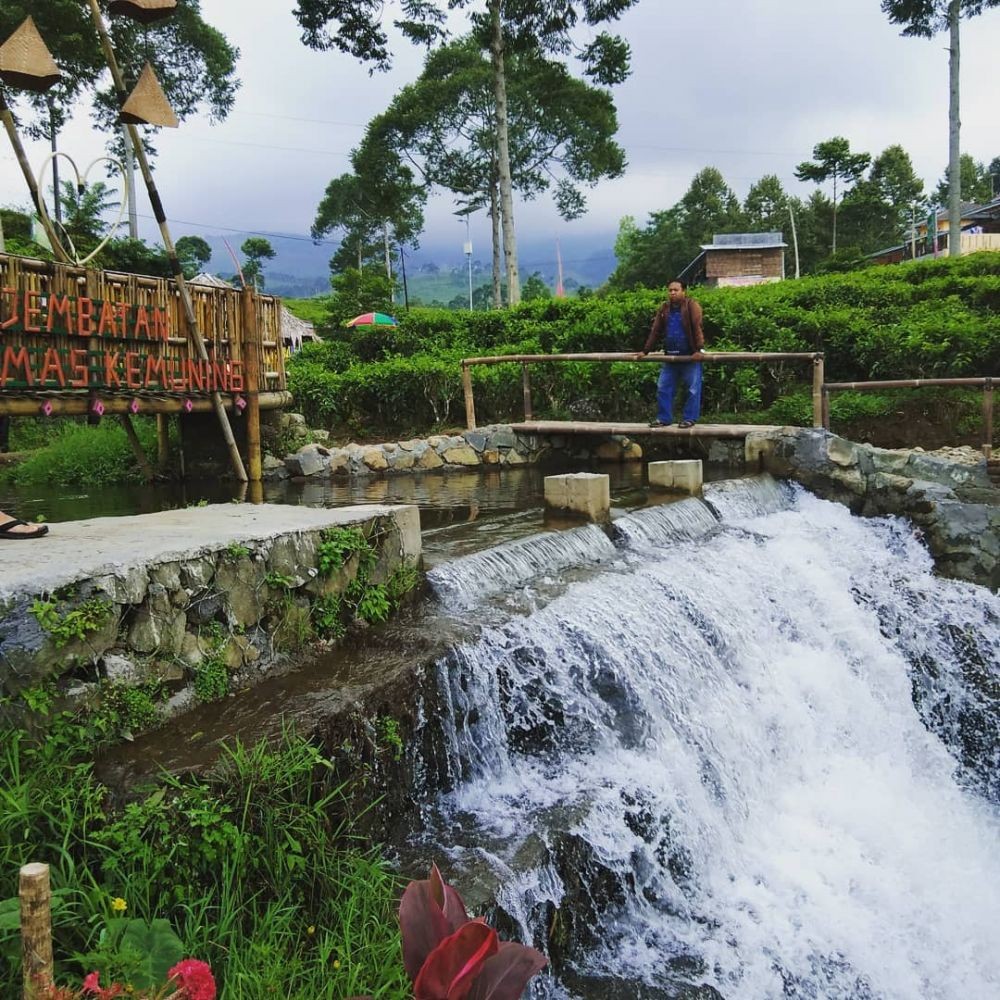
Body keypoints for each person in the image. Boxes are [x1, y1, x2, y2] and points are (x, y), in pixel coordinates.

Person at [637, 279, 705, 428]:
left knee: (693, 389)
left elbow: (697, 326)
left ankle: (689, 418)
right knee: (663, 387)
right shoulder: (664, 308)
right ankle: (664, 418)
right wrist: (645, 351)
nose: (672, 293)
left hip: (690, 356)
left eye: (676, 290)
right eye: (670, 290)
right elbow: (655, 331)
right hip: (671, 357)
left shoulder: (691, 306)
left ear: (683, 291)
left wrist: (699, 350)